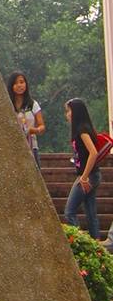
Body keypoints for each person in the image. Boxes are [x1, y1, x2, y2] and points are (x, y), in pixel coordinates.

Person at [65, 98, 103, 239]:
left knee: (69, 211)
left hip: (89, 175)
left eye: (69, 111)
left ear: (76, 112)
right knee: (91, 213)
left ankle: (80, 243)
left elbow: (93, 152)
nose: (67, 114)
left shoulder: (82, 130)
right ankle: (97, 248)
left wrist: (84, 177)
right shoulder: (81, 130)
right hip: (92, 174)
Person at [6, 71, 45, 168]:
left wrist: (34, 130)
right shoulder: (7, 105)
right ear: (11, 86)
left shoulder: (32, 104)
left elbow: (42, 126)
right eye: (16, 83)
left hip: (31, 145)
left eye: (22, 82)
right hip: (12, 146)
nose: (19, 85)